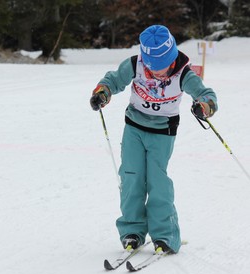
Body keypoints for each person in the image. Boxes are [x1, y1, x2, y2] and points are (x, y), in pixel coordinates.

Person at [89, 25, 217, 254]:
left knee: (157, 181)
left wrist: (204, 106)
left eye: (162, 67)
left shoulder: (184, 74)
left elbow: (206, 94)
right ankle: (132, 230)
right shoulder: (134, 65)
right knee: (131, 177)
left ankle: (165, 234)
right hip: (134, 129)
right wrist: (102, 92)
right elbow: (113, 80)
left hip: (162, 132)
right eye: (151, 67)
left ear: (173, 57)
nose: (157, 73)